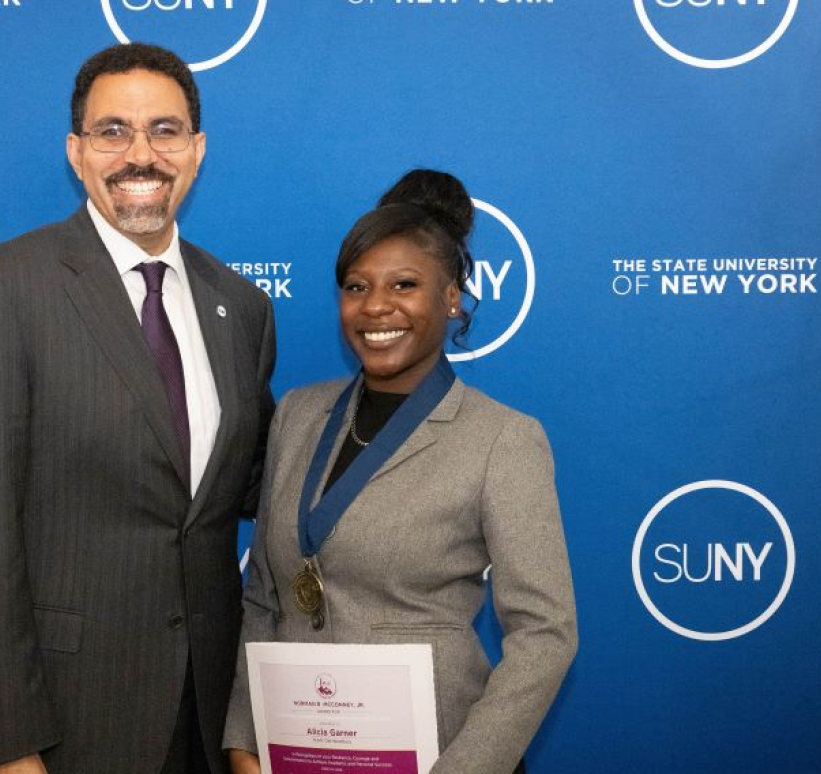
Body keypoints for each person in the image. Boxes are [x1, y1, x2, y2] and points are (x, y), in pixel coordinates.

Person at [0, 43, 276, 774]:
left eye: (165, 131)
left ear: (197, 150)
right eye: (113, 131)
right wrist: (6, 749)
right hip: (53, 726)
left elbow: (252, 488)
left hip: (205, 724)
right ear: (77, 152)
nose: (140, 154)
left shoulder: (240, 307)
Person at [223, 170, 577, 774]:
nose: (376, 307)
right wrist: (244, 739)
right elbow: (264, 599)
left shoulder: (502, 440)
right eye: (356, 286)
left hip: (440, 755)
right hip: (299, 755)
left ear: (452, 297)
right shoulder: (299, 417)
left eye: (404, 284)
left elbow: (545, 635)